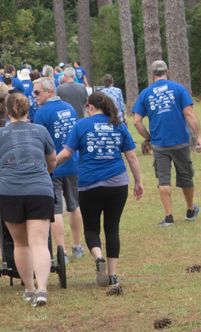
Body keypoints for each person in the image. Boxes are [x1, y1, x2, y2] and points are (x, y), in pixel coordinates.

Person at [55, 92, 144, 288]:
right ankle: (112, 274)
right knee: (112, 228)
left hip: (89, 185)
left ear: (90, 107)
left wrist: (49, 165)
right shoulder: (118, 125)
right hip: (117, 183)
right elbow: (131, 157)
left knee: (92, 227)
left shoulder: (81, 125)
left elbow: (66, 153)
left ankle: (98, 257)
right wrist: (138, 182)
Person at [0, 92, 56, 306]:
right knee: (39, 242)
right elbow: (52, 160)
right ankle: (43, 289)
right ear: (28, 110)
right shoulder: (41, 131)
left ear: (7, 112)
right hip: (40, 190)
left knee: (20, 243)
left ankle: (29, 288)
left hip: (10, 191)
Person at [130, 60, 201, 226]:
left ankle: (169, 217)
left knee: (163, 180)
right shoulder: (178, 89)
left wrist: (148, 137)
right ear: (167, 72)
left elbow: (136, 121)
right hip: (180, 142)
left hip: (159, 144)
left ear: (152, 74)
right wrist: (198, 136)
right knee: (186, 177)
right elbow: (189, 114)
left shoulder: (146, 94)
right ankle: (191, 209)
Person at [32, 78, 86, 259]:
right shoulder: (69, 108)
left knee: (56, 210)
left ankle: (61, 251)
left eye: (37, 92)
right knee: (74, 206)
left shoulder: (42, 113)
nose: (34, 96)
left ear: (49, 92)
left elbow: (39, 141)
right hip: (72, 162)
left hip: (53, 166)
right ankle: (77, 246)